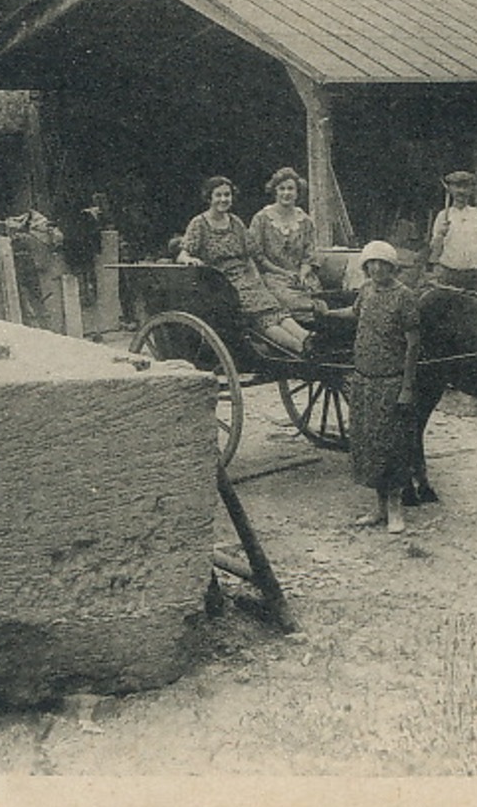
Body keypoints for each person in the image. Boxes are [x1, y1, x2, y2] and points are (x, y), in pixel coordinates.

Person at [316, 240, 421, 533]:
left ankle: (396, 509)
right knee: (369, 445)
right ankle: (378, 508)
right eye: (371, 264)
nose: (376, 269)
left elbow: (413, 344)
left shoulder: (405, 297)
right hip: (364, 380)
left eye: (382, 264)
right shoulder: (366, 291)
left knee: (392, 447)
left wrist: (407, 386)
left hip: (391, 382)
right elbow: (354, 312)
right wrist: (328, 314)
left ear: (392, 267)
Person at [178, 175, 314, 355]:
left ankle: (306, 337)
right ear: (209, 198)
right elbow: (183, 253)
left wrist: (255, 278)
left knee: (274, 307)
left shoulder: (236, 222)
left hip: (244, 277)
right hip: (219, 283)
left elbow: (252, 254)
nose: (223, 199)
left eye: (227, 195)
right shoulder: (199, 224)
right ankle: (297, 346)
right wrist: (189, 259)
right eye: (218, 195)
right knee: (261, 315)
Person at [249, 167, 322, 319]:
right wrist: (283, 273)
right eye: (281, 189)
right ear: (275, 191)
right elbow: (257, 256)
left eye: (291, 189)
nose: (286, 193)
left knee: (317, 297)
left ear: (297, 192)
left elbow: (309, 255)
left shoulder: (306, 221)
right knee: (293, 302)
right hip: (272, 276)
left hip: (301, 276)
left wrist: (302, 274)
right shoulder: (261, 219)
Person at [427, 170, 477, 297]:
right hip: (450, 276)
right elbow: (434, 250)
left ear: (471, 190)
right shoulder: (443, 216)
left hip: (475, 277)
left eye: (466, 187)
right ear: (450, 190)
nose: (461, 191)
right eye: (457, 187)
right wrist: (440, 234)